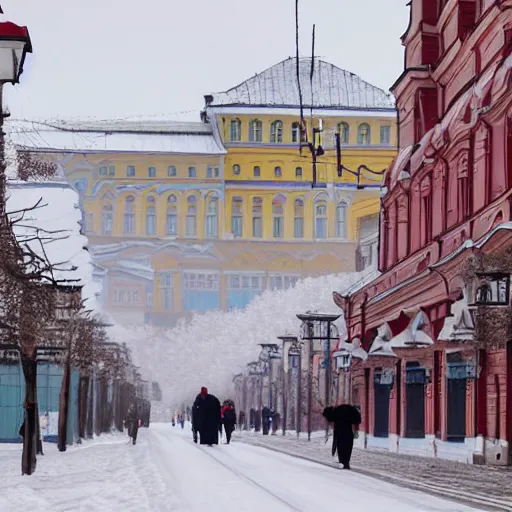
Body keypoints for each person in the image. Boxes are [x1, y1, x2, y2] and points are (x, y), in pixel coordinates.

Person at [323, 404, 361, 469]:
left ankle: (342, 462)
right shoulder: (351, 410)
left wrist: (331, 407)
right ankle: (346, 463)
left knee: (340, 448)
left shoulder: (336, 411)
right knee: (348, 448)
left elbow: (328, 415)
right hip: (348, 432)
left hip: (339, 432)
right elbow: (357, 420)